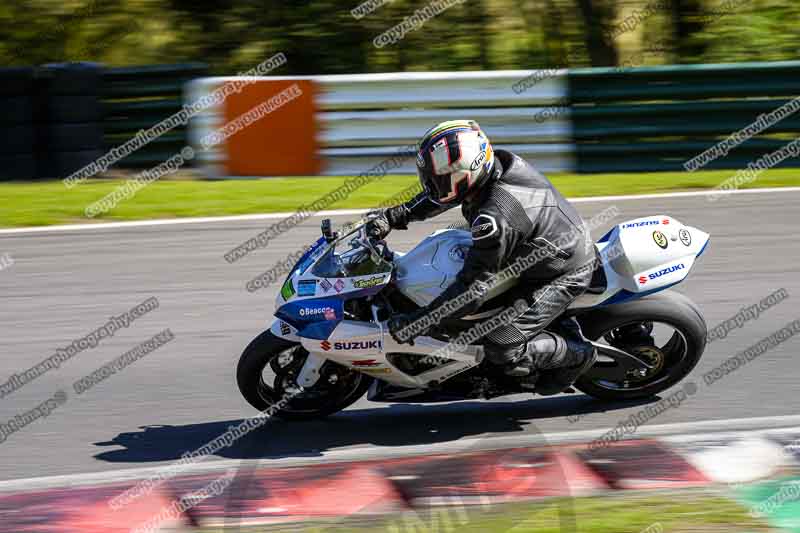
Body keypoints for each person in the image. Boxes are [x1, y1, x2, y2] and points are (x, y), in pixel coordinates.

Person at [366, 120, 597, 395]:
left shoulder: (494, 218)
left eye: (438, 178)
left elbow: (473, 289)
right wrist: (394, 216)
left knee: (501, 346)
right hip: (537, 246)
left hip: (561, 271)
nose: (432, 184)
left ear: (467, 174)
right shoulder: (494, 165)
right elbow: (444, 193)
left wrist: (422, 321)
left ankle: (579, 354)